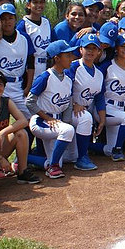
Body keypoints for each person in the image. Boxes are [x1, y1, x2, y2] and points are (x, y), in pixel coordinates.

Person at [26, 40, 80, 177]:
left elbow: (68, 102)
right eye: (67, 55)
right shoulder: (45, 77)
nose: (71, 58)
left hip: (56, 122)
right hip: (40, 121)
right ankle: (52, 167)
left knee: (72, 156)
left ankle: (24, 159)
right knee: (68, 131)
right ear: (57, 58)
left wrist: (66, 122)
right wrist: (47, 118)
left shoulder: (67, 78)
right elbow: (30, 102)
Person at [68, 34, 108, 171]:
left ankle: (85, 151)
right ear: (80, 50)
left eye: (94, 48)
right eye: (87, 48)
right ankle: (82, 158)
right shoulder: (73, 67)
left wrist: (102, 119)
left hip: (87, 108)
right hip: (68, 110)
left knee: (69, 155)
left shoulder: (99, 72)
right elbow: (61, 89)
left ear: (99, 52)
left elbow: (99, 97)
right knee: (85, 118)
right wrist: (73, 103)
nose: (90, 51)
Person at [99, 35, 125, 159]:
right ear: (116, 48)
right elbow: (98, 90)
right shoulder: (107, 66)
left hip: (120, 109)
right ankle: (118, 151)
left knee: (108, 150)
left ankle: (87, 146)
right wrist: (100, 113)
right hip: (105, 107)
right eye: (123, 46)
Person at [0, 3, 34, 110]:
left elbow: (30, 64)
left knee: (28, 119)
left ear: (15, 19)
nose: (7, 21)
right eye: (3, 18)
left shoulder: (24, 38)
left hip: (18, 85)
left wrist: (28, 87)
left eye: (10, 18)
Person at [18, 0, 52, 82]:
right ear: (28, 5)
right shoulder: (23, 25)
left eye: (41, 2)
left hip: (45, 65)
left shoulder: (46, 22)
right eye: (35, 2)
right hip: (30, 67)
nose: (39, 5)